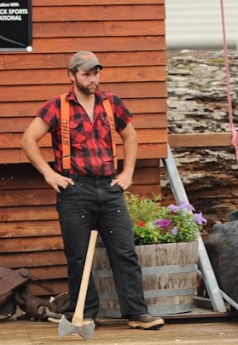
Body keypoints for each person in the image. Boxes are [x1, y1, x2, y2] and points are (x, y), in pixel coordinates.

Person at [20, 51, 164, 330]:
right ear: (71, 75)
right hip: (75, 189)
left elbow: (130, 135)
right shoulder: (57, 107)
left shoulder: (111, 103)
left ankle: (137, 313)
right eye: (86, 73)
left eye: (95, 72)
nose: (92, 78)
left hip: (109, 187)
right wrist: (49, 174)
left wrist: (128, 172)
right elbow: (28, 139)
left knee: (124, 251)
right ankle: (85, 314)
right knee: (78, 255)